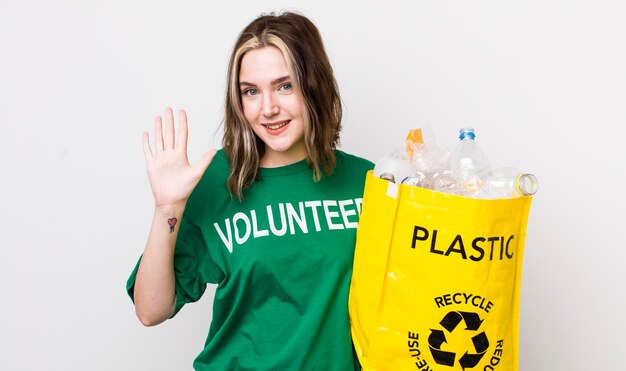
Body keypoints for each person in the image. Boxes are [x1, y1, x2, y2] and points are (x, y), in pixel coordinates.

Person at [126, 11, 373, 370]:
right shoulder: (218, 180)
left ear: (314, 85)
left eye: (285, 86)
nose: (269, 108)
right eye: (251, 92)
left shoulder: (367, 183)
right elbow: (150, 310)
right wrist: (167, 207)